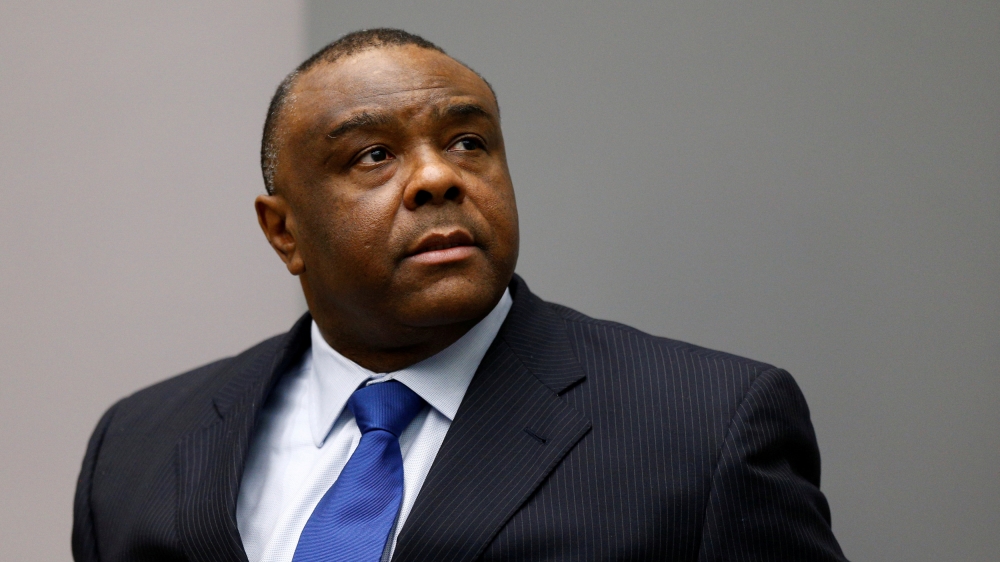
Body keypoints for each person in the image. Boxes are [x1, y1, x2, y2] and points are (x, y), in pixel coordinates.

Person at [72, 28, 847, 562]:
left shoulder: (706, 430)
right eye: (373, 154)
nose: (440, 177)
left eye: (468, 143)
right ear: (284, 233)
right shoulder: (139, 447)